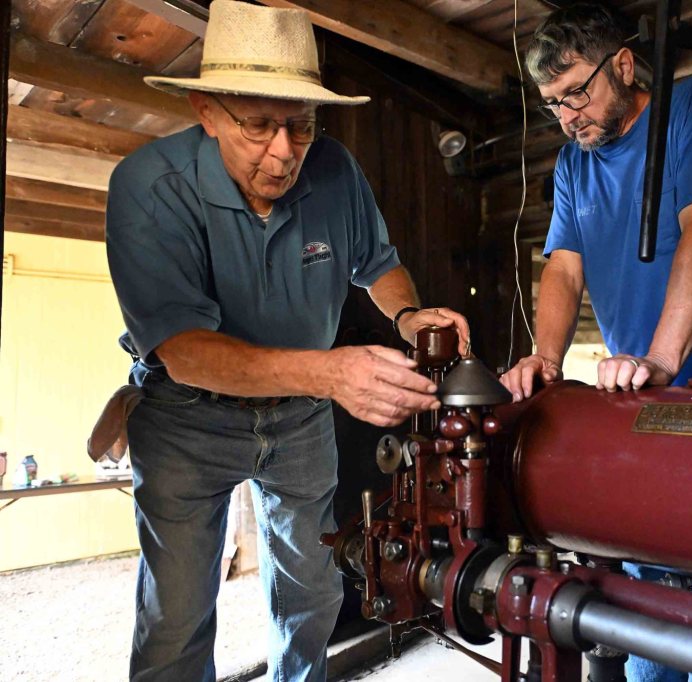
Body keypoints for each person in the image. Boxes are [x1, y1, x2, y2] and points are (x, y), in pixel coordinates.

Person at [104, 2, 469, 680]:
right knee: (179, 614)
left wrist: (410, 316)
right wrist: (330, 374)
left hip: (299, 422)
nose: (284, 151)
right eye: (259, 124)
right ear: (208, 111)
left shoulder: (334, 169)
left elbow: (379, 265)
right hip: (186, 418)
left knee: (312, 594)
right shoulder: (149, 187)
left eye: (300, 125)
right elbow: (184, 349)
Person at [500, 4, 692, 681]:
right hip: (645, 403)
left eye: (578, 93)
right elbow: (564, 268)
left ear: (623, 65)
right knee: (645, 612)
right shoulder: (575, 165)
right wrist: (544, 359)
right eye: (553, 104)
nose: (569, 116)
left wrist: (661, 359)